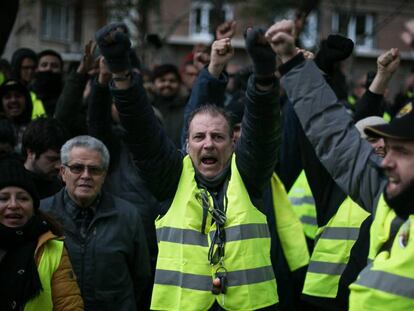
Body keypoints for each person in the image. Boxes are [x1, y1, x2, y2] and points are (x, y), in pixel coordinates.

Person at [96, 22, 281, 310]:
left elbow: (263, 131)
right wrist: (121, 71)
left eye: (218, 137)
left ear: (233, 144)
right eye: (199, 137)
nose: (208, 144)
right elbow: (142, 129)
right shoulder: (170, 177)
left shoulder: (248, 174)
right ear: (187, 143)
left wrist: (265, 77)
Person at [266, 19, 414, 310]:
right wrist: (293, 62)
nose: (386, 159)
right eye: (384, 147)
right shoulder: (382, 192)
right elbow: (333, 133)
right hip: (321, 296)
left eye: (403, 152)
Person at [40, 135, 151, 310]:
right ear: (62, 172)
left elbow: (142, 276)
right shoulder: (42, 215)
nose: (86, 176)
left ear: (104, 175)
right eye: (77, 168)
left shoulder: (127, 216)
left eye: (94, 169)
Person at [0, 157, 83, 311]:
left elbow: (69, 306)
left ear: (34, 207)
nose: (13, 205)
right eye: (3, 198)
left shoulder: (53, 249)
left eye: (23, 198)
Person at [22, 117, 69, 198]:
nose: (59, 165)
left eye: (62, 159)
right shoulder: (15, 188)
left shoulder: (60, 187)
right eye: (52, 159)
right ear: (30, 153)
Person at [31, 50, 64, 116]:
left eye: (54, 66)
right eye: (44, 65)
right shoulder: (27, 93)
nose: (48, 68)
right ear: (37, 69)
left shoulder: (67, 94)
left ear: (61, 70)